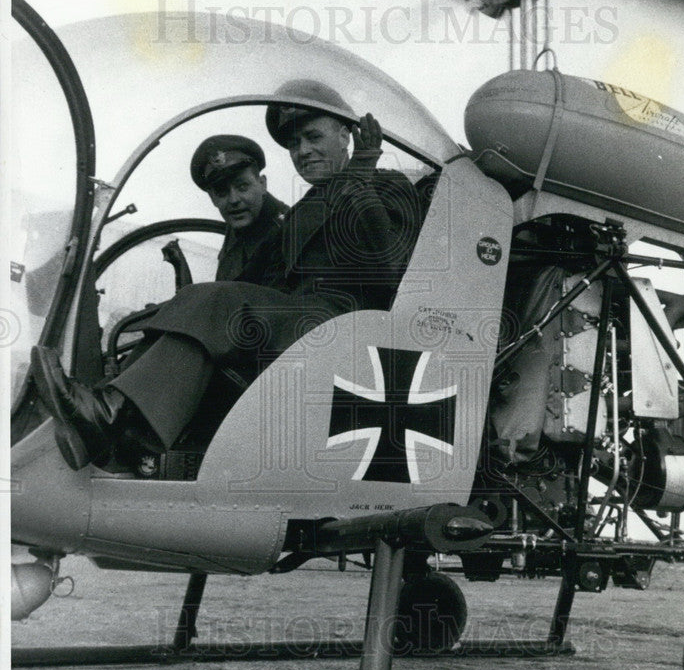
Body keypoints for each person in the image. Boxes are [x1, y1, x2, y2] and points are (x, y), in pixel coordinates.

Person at [32, 81, 421, 471]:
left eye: (312, 136)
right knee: (205, 299)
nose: (302, 151)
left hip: (344, 333)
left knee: (216, 302)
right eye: (293, 143)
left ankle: (108, 415)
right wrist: (174, 308)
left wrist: (360, 172)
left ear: (345, 135)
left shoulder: (388, 186)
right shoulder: (304, 210)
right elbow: (251, 282)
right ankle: (114, 426)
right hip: (294, 329)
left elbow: (390, 271)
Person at [189, 134, 288, 282]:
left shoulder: (288, 232)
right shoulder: (239, 222)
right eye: (222, 192)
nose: (233, 200)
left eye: (242, 187)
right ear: (212, 198)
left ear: (262, 184)